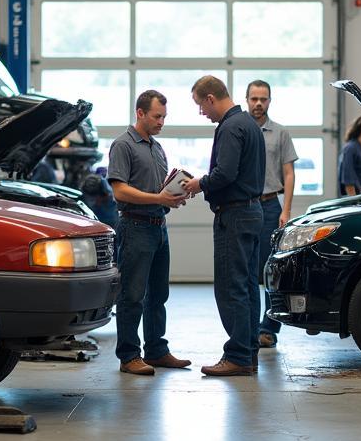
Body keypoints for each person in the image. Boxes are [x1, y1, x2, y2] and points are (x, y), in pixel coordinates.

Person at [184, 76, 265, 377]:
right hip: (252, 211)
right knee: (247, 287)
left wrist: (197, 184)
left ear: (210, 98)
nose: (202, 113)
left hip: (234, 215)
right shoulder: (250, 124)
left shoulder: (230, 127)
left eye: (200, 106)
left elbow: (226, 173)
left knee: (231, 288)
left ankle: (238, 356)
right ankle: (249, 352)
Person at [107, 90, 190, 376]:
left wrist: (174, 194)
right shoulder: (123, 145)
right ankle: (129, 355)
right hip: (135, 227)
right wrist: (158, 199)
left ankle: (156, 350)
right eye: (157, 116)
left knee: (158, 294)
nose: (161, 122)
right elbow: (119, 189)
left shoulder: (156, 148)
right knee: (132, 295)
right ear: (140, 113)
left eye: (164, 117)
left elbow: (157, 191)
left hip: (158, 228)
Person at [245, 80, 297, 350]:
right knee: (247, 269)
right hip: (244, 205)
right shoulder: (239, 130)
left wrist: (286, 210)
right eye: (254, 98)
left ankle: (268, 329)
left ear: (270, 101)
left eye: (263, 99)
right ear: (246, 100)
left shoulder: (280, 133)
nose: (258, 104)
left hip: (270, 207)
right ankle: (248, 326)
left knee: (269, 270)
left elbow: (289, 173)